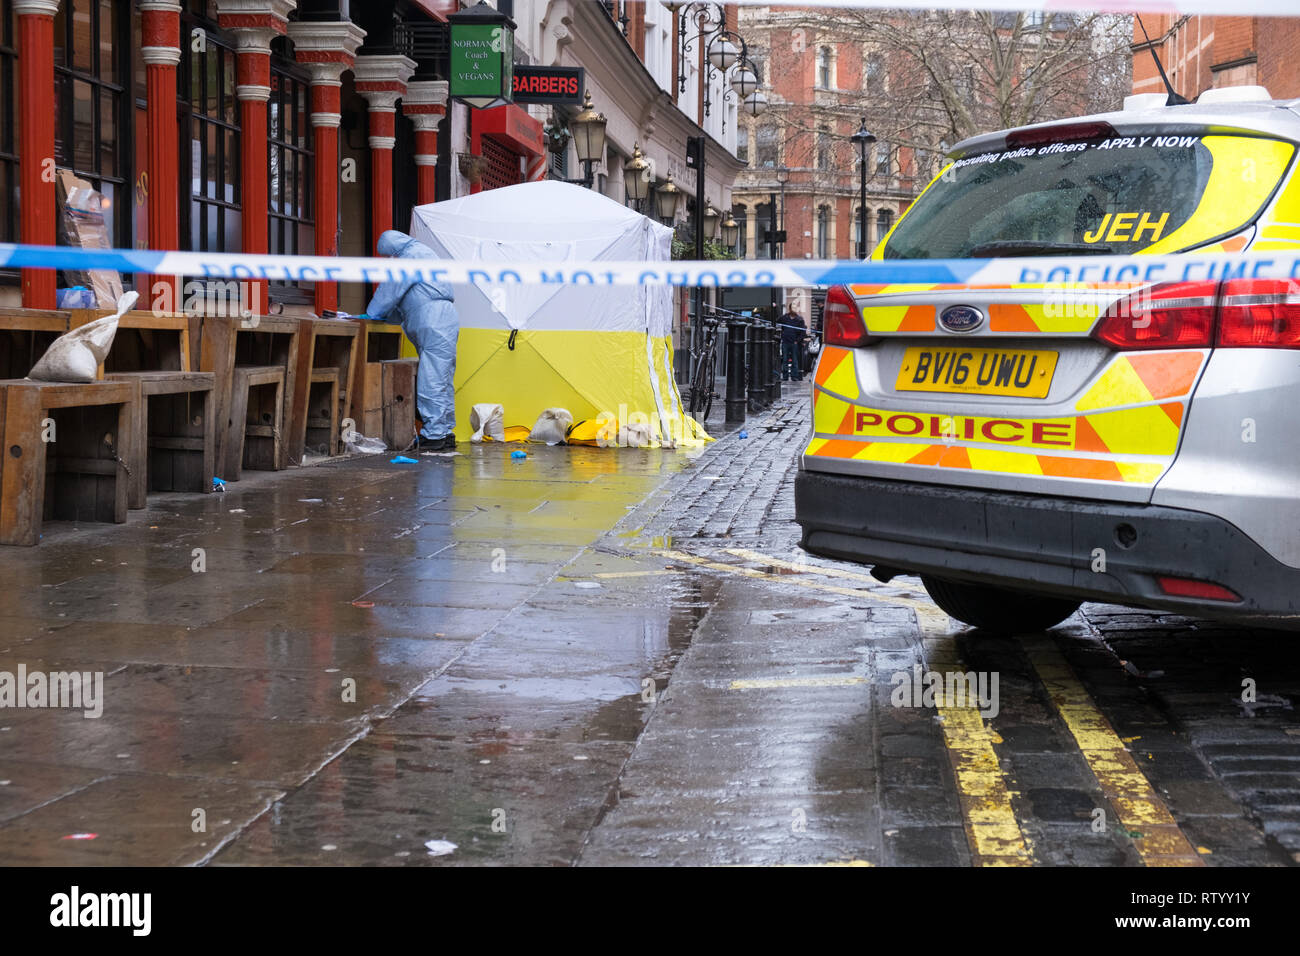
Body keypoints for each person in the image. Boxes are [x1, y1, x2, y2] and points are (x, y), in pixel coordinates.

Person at [365, 230, 458, 452]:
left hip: (431, 319)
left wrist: (372, 312)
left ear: (391, 248)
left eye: (388, 255)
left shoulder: (411, 256)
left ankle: (433, 435)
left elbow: (391, 291)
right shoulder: (425, 253)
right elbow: (411, 295)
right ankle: (444, 432)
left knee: (432, 377)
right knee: (442, 376)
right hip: (442, 318)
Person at [778, 306, 808, 382]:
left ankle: (794, 376)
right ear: (790, 309)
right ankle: (785, 377)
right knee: (785, 360)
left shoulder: (800, 319)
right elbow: (777, 321)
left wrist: (797, 341)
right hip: (785, 342)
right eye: (792, 308)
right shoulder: (785, 318)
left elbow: (803, 332)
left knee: (795, 360)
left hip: (794, 343)